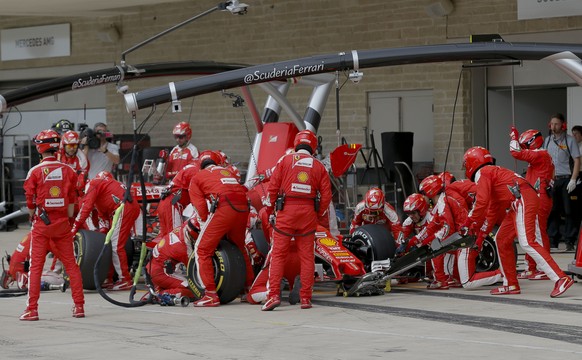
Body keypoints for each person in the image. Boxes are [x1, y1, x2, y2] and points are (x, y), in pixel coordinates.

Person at [461, 146, 573, 297]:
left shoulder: (483, 173)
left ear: (471, 163)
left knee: (527, 241)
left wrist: (468, 223)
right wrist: (481, 236)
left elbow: (481, 203)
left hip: (522, 199)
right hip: (521, 199)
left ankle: (561, 278)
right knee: (501, 239)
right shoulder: (491, 172)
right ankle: (511, 284)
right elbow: (492, 210)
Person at [261, 130, 332, 311]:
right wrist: (317, 214)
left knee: (278, 254)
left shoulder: (285, 161)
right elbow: (326, 196)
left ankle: (274, 296)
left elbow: (273, 188)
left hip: (287, 211)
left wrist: (270, 210)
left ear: (296, 143)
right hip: (308, 213)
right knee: (307, 257)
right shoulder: (319, 166)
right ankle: (306, 298)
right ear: (313, 147)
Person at [20, 129, 85, 321]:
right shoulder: (70, 171)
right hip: (63, 224)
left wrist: (34, 217)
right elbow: (73, 204)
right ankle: (79, 306)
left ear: (40, 148)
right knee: (71, 266)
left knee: (36, 267)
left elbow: (30, 203)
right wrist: (67, 220)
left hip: (42, 225)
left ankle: (32, 310)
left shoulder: (34, 171)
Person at [188, 150, 253, 307]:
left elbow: (202, 209)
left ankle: (210, 294)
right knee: (240, 248)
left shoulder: (197, 177)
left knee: (202, 249)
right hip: (244, 207)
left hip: (225, 207)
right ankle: (249, 289)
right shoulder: (227, 172)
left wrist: (206, 229)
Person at [72, 170, 140, 290]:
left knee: (115, 245)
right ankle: (108, 278)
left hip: (123, 208)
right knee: (107, 243)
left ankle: (125, 279)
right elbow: (102, 215)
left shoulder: (92, 185)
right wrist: (102, 232)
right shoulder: (101, 187)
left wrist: (73, 229)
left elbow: (86, 209)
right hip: (124, 208)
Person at [407, 175, 467, 290]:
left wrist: (429, 240)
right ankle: (456, 278)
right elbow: (432, 225)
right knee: (436, 241)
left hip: (464, 235)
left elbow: (447, 228)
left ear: (430, 192)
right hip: (462, 233)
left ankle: (440, 281)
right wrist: (415, 240)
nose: (422, 196)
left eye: (423, 193)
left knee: (434, 244)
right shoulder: (441, 201)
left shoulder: (443, 202)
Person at [510, 127, 554, 279]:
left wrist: (513, 138)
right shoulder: (540, 155)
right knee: (532, 234)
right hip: (538, 197)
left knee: (538, 234)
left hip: (541, 198)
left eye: (525, 145)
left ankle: (544, 269)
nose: (524, 148)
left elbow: (515, 153)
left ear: (532, 142)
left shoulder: (540, 154)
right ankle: (531, 267)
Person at [543, 113, 580, 251]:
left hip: (566, 179)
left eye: (556, 124)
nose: (554, 127)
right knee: (552, 210)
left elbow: (577, 160)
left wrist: (573, 179)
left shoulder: (570, 140)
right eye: (552, 124)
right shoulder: (547, 141)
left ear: (563, 125)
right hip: (552, 180)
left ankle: (570, 240)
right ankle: (553, 240)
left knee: (569, 210)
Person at [148, 220, 198, 300]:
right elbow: (194, 270)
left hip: (158, 266)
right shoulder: (183, 248)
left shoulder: (183, 228)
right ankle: (159, 295)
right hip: (160, 272)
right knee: (194, 290)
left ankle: (160, 288)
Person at [157, 160, 201, 237]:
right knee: (176, 236)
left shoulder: (193, 168)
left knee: (165, 237)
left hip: (167, 202)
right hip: (172, 204)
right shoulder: (195, 171)